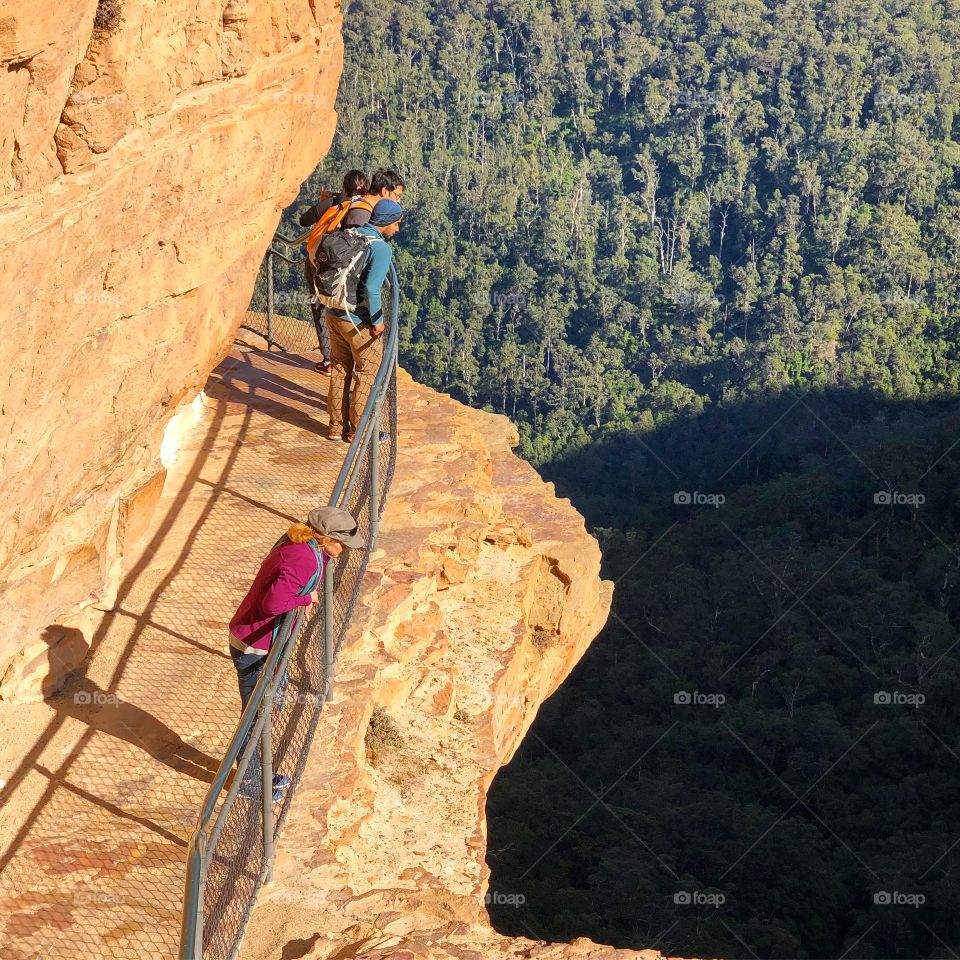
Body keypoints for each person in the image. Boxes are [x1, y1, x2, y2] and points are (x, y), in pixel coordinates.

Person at [228, 505, 364, 801]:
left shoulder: (306, 548)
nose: (344, 549)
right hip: (255, 645)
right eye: (341, 542)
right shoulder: (303, 557)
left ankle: (257, 775)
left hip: (257, 641)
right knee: (256, 717)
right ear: (325, 537)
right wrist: (306, 598)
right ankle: (248, 783)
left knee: (264, 712)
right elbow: (273, 604)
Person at [325, 197, 403, 442]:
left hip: (333, 312)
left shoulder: (351, 234)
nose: (397, 229)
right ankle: (359, 431)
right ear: (388, 221)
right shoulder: (380, 248)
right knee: (366, 372)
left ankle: (336, 427)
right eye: (397, 224)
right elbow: (371, 288)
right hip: (357, 320)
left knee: (339, 370)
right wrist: (378, 320)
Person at [299, 170, 369, 374]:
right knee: (351, 306)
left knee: (320, 306)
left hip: (320, 264)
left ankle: (329, 360)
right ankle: (353, 357)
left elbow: (304, 220)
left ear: (343, 187)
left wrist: (327, 202)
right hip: (352, 267)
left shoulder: (333, 203)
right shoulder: (366, 208)